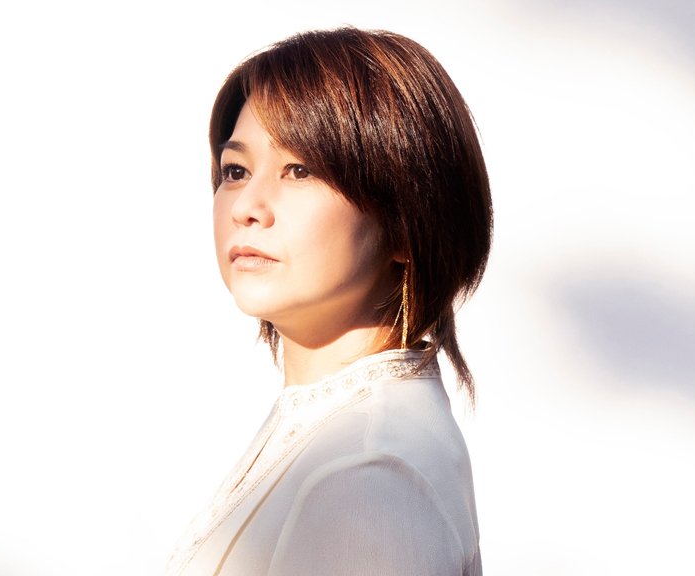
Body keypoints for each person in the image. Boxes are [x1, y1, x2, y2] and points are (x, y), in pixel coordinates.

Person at [165, 27, 492, 576]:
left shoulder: (367, 474)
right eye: (235, 171)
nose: (246, 206)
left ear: (405, 224)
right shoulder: (335, 428)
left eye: (299, 170)